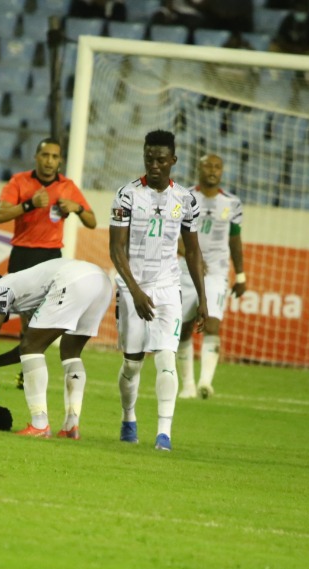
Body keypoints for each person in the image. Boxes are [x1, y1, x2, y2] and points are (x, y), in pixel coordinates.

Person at [110, 129, 206, 451]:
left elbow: (192, 251)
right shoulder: (126, 195)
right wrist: (135, 291)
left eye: (161, 160)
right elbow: (116, 249)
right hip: (132, 288)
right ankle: (128, 417)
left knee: (166, 358)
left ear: (173, 161)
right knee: (132, 363)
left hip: (168, 287)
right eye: (149, 158)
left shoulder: (186, 200)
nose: (154, 165)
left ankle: (164, 433)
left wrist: (203, 298)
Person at [0, 259, 113, 439]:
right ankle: (71, 426)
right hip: (101, 283)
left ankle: (40, 424)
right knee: (71, 352)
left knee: (32, 347)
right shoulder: (26, 295)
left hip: (73, 281)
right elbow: (31, 345)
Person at [0, 137, 96, 386]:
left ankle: (27, 371)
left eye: (54, 156)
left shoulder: (67, 187)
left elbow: (92, 221)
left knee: (42, 319)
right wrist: (29, 204)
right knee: (26, 319)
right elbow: (0, 215)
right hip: (23, 254)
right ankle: (26, 369)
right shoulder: (19, 181)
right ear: (36, 157)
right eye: (45, 155)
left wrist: (77, 208)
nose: (49, 161)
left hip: (51, 257)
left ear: (60, 160)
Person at [177, 153, 244, 400]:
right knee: (183, 329)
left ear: (222, 171)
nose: (213, 170)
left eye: (217, 166)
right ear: (199, 169)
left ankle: (205, 382)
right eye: (208, 166)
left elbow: (235, 240)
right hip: (186, 271)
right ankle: (188, 386)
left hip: (216, 272)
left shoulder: (232, 203)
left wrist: (241, 275)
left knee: (212, 323)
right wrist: (190, 255)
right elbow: (172, 233)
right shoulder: (184, 197)